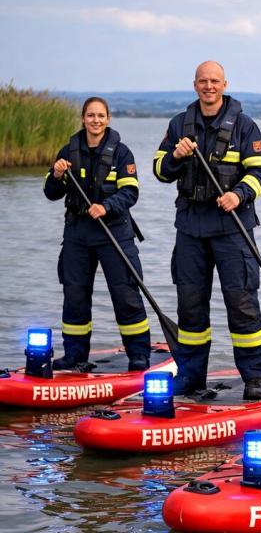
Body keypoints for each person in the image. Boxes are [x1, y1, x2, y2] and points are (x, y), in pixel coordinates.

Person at [153, 61, 261, 399]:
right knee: (190, 306)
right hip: (190, 227)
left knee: (242, 301)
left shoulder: (245, 127)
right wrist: (174, 156)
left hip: (233, 227)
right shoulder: (179, 125)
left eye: (214, 81)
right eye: (203, 81)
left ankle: (255, 377)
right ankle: (190, 377)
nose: (208, 86)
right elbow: (160, 171)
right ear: (195, 85)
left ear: (224, 84)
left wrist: (239, 194)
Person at [44, 97, 151, 371]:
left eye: (100, 115)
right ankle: (75, 356)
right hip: (77, 234)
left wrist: (106, 206)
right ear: (83, 118)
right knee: (75, 296)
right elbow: (51, 193)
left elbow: (130, 192)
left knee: (126, 295)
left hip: (113, 233)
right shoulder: (68, 151)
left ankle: (139, 354)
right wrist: (56, 176)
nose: (95, 120)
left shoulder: (122, 153)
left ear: (108, 119)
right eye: (90, 115)